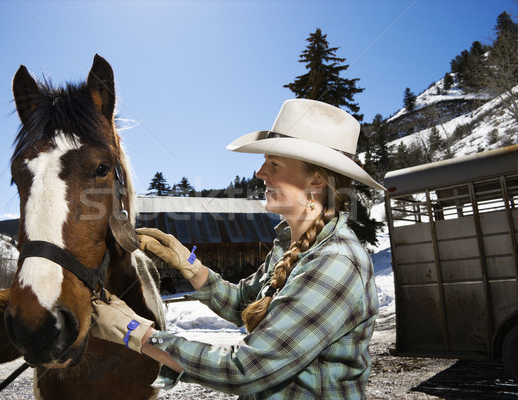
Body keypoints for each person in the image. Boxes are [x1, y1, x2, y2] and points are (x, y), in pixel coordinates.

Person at [91, 98, 385, 399]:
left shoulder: (335, 263)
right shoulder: (291, 245)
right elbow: (245, 307)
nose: (260, 172)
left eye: (274, 164)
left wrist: (136, 333)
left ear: (317, 180)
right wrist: (189, 265)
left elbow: (246, 369)